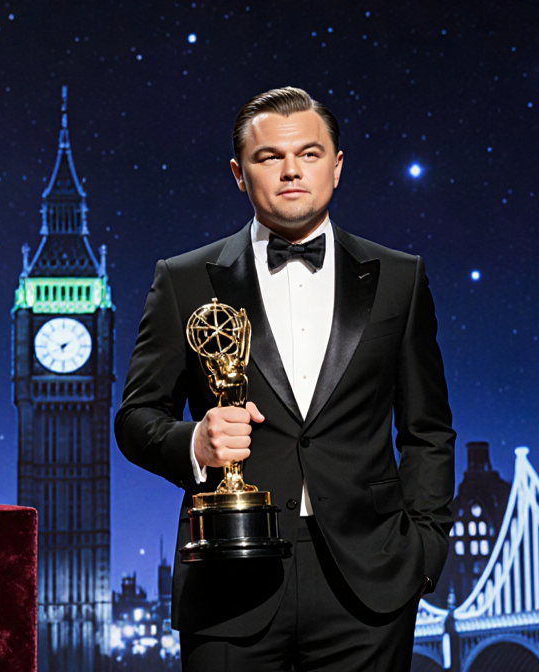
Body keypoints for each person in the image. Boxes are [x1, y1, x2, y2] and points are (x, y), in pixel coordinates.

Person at [115, 86, 455, 670]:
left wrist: (423, 552)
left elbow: (428, 430)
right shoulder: (183, 279)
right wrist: (195, 443)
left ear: (337, 166)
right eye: (269, 156)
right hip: (227, 575)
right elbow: (135, 418)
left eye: (309, 154)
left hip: (371, 583)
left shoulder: (401, 277)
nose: (291, 171)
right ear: (239, 174)